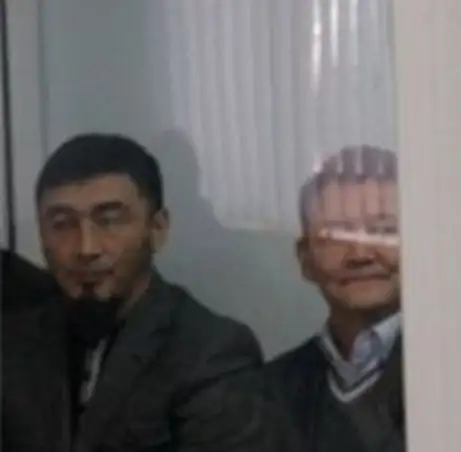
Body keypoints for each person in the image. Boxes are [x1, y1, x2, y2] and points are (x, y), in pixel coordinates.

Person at [2, 133, 269, 452]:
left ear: (157, 229)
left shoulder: (211, 352)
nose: (86, 248)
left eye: (109, 221)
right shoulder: (14, 341)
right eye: (62, 224)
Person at [264, 145, 405, 452]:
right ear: (305, 259)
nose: (360, 254)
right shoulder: (272, 388)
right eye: (336, 237)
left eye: (383, 231)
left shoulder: (452, 365)